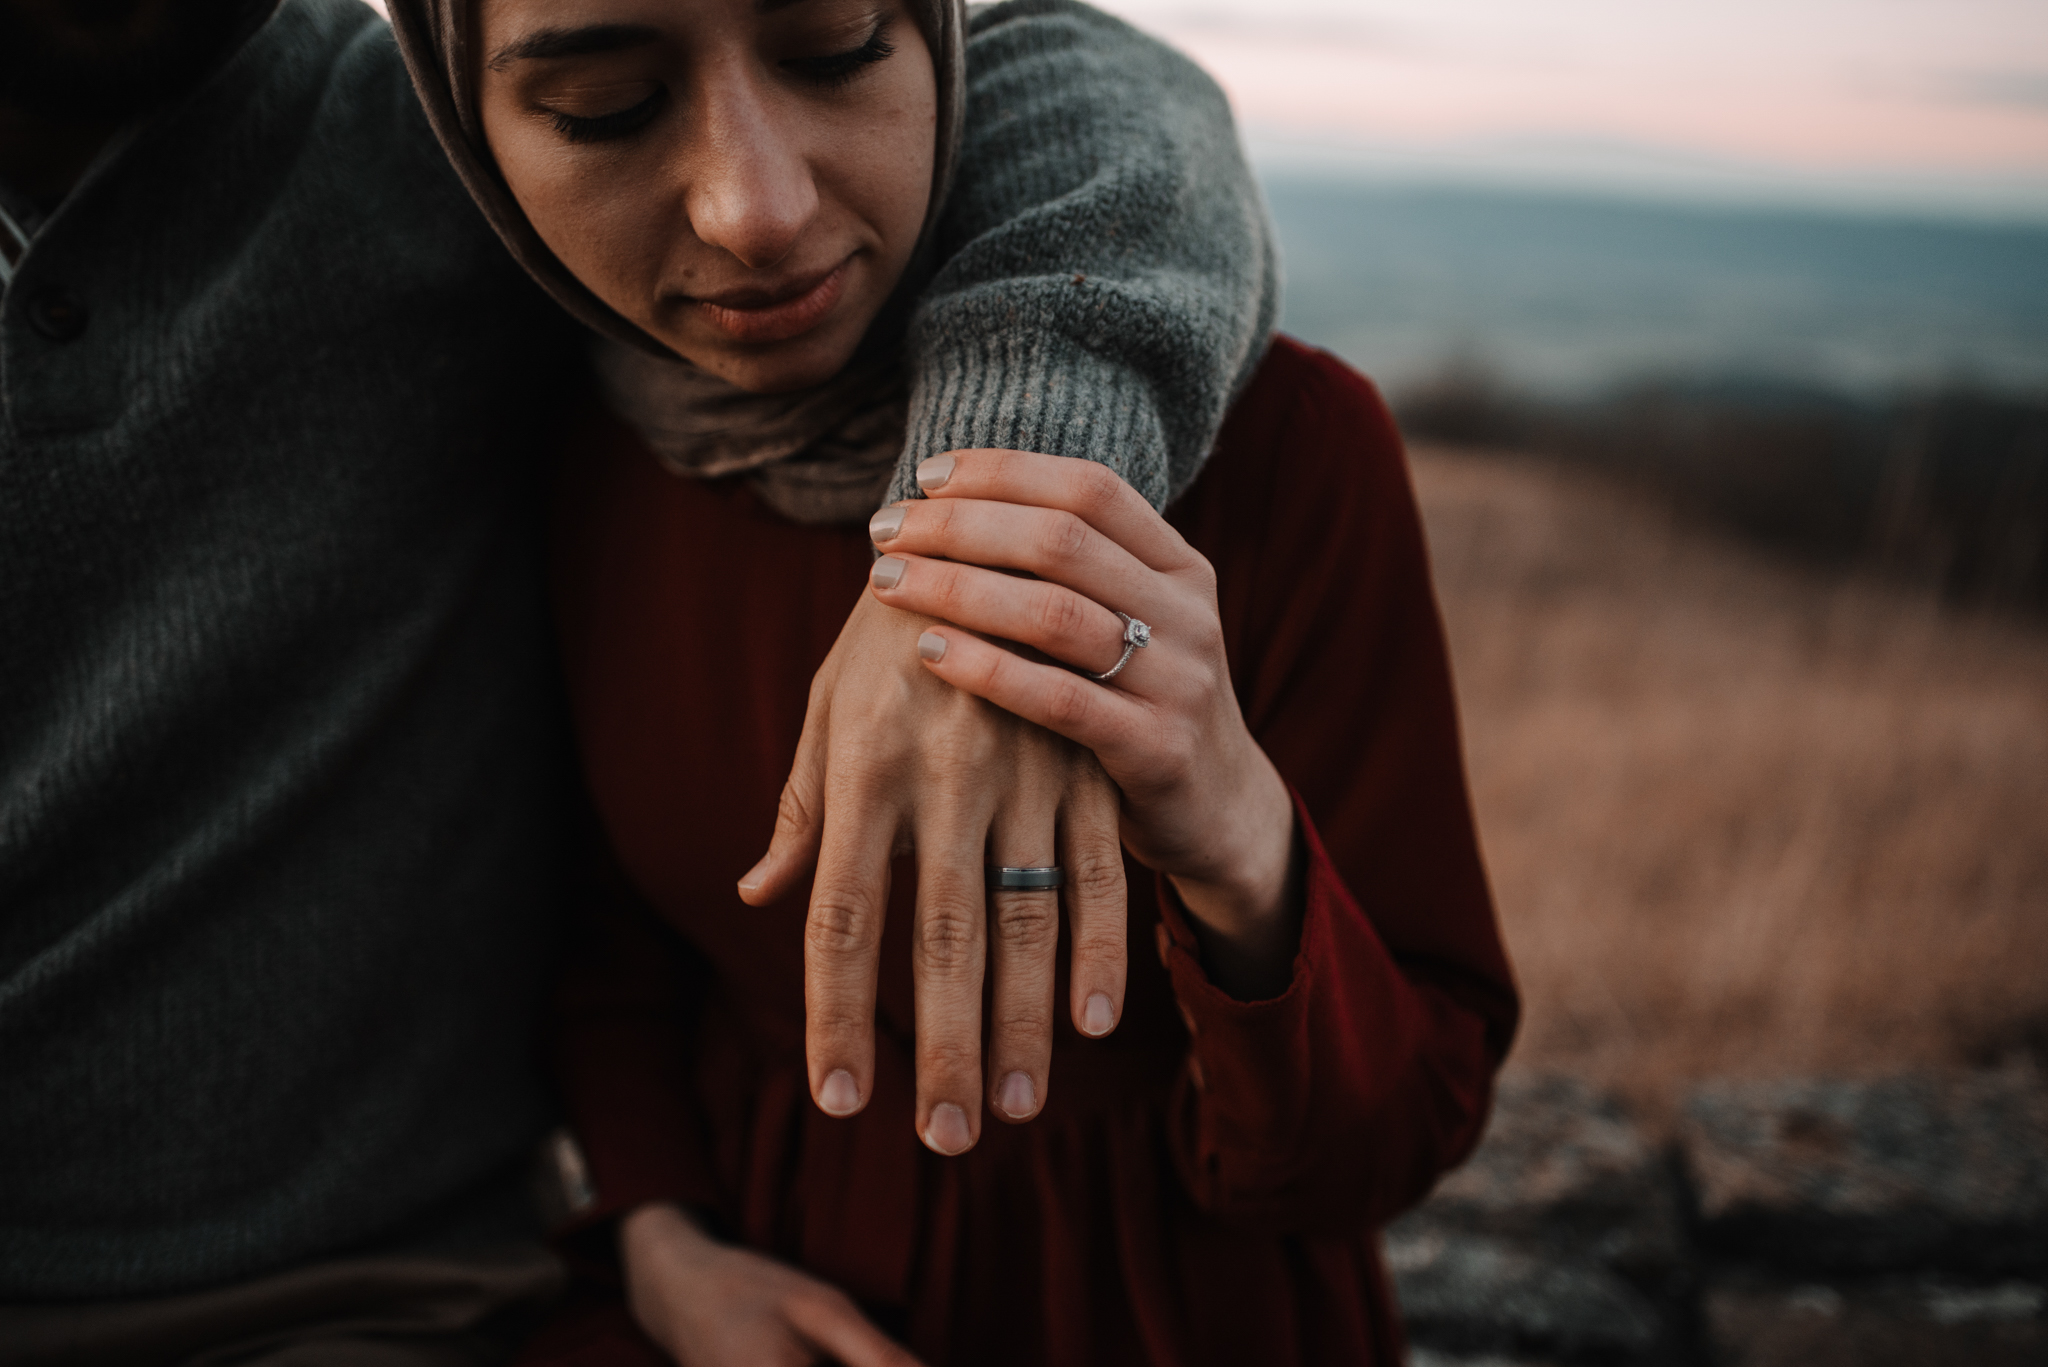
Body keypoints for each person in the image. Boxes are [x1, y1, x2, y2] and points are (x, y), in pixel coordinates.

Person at [0, 0, 1277, 1359]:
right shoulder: (490, 130)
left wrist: (982, 536)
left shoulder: (410, 144)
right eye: (608, 113)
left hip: (364, 1299)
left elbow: (1100, 94)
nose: (752, 206)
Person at [392, 0, 1520, 1363]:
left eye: (833, 51)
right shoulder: (577, 454)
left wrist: (1240, 849)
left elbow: (1391, 1145)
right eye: (606, 109)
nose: (758, 208)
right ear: (473, 137)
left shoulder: (1285, 452)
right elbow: (607, 958)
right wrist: (663, 1242)